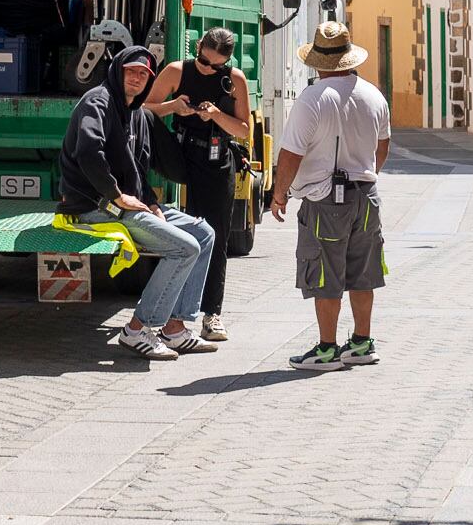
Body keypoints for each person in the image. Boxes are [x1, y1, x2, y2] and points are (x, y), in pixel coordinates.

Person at [56, 44, 218, 360]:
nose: (137, 78)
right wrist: (117, 195)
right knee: (185, 248)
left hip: (127, 204)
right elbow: (89, 153)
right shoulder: (97, 102)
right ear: (118, 71)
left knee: (205, 234)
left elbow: (139, 166)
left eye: (143, 74)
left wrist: (150, 202)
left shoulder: (137, 113)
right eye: (131, 71)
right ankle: (136, 329)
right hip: (95, 206)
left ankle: (174, 328)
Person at [266, 21, 392, 372]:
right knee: (363, 272)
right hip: (367, 195)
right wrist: (367, 176)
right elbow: (383, 147)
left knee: (324, 274)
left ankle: (326, 349)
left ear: (318, 62)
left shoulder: (312, 98)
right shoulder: (373, 95)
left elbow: (290, 154)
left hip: (324, 199)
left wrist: (280, 195)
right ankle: (363, 342)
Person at [147, 26, 251, 342]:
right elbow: (142, 109)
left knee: (215, 235)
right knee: (145, 122)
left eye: (215, 66)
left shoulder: (234, 81)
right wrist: (173, 107)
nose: (208, 69)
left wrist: (217, 114)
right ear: (198, 51)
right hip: (180, 151)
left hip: (216, 155)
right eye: (204, 62)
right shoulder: (177, 71)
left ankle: (211, 314)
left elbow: (244, 130)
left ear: (227, 63)